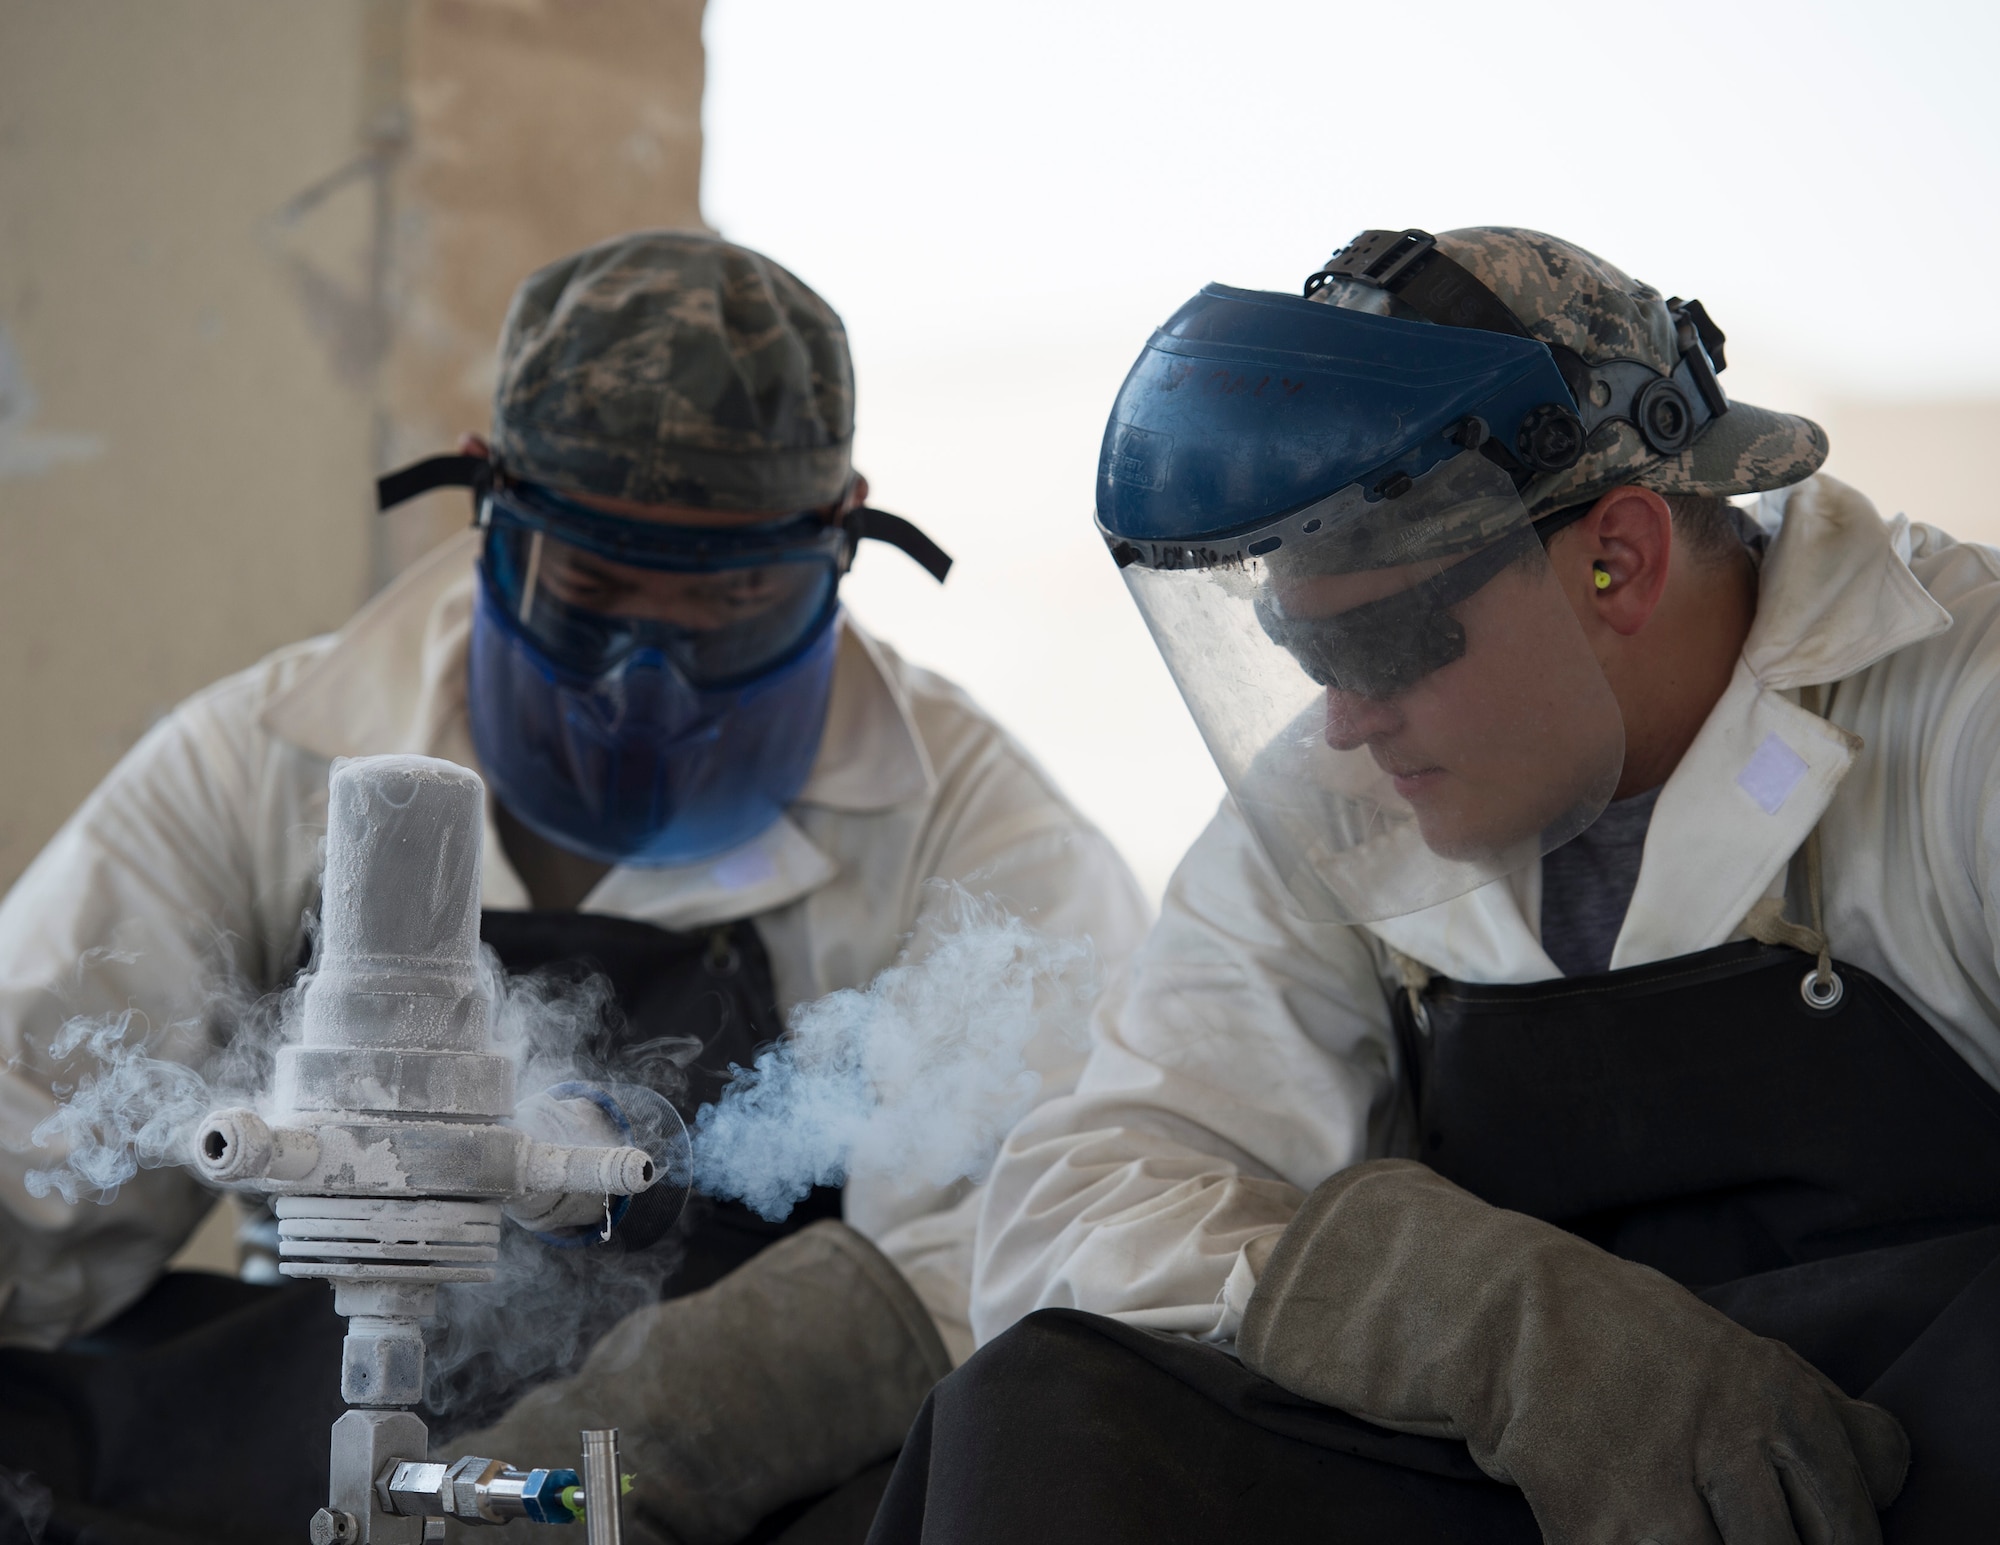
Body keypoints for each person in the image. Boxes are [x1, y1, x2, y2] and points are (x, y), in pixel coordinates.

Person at [0, 231, 1147, 1545]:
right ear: (488, 512)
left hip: (751, 1480)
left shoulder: (974, 834)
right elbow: (27, 1119)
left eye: (733, 606)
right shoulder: (260, 761)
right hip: (310, 1418)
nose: (640, 688)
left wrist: (669, 1424)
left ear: (840, 546)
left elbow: (1030, 1250)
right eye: (590, 593)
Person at [869, 228, 2000, 1544]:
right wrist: (1453, 1310)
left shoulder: (1961, 710)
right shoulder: (1340, 802)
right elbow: (1078, 1204)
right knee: (1046, 1405)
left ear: (1615, 559)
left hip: (1918, 1479)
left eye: (1387, 641)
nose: (1344, 721)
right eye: (1305, 648)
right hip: (1543, 1493)